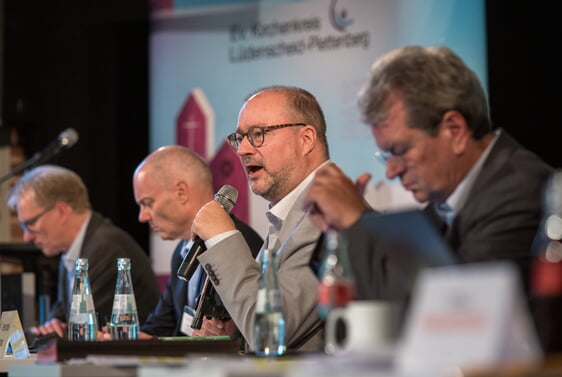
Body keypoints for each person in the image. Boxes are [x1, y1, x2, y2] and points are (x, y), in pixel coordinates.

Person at [303, 45, 553, 301]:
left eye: (400, 150)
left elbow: (457, 315)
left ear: (454, 130)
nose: (391, 172)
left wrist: (357, 224)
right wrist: (341, 232)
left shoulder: (518, 192)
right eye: (386, 156)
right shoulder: (441, 206)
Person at [191, 86, 330, 352]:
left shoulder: (330, 215)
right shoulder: (291, 215)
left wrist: (222, 237)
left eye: (258, 134)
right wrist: (237, 332)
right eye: (240, 138)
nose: (242, 150)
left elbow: (270, 332)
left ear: (306, 139)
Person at [7, 165, 161, 339]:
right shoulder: (73, 252)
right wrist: (53, 325)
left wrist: (54, 330)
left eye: (30, 223)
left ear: (61, 211)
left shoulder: (106, 247)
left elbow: (82, 328)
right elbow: (61, 318)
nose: (27, 237)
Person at [131, 145, 263, 339]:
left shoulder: (240, 244)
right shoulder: (181, 253)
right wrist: (109, 342)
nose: (142, 217)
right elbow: (158, 329)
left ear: (181, 192)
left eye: (148, 203)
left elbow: (237, 332)